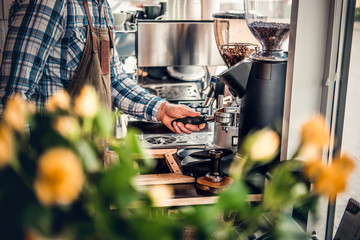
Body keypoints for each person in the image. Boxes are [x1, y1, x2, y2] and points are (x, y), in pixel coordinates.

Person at [0, 0, 205, 135]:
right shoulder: (49, 3)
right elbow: (12, 98)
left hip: (86, 155)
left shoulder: (100, 6)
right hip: (50, 163)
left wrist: (161, 109)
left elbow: (113, 79)